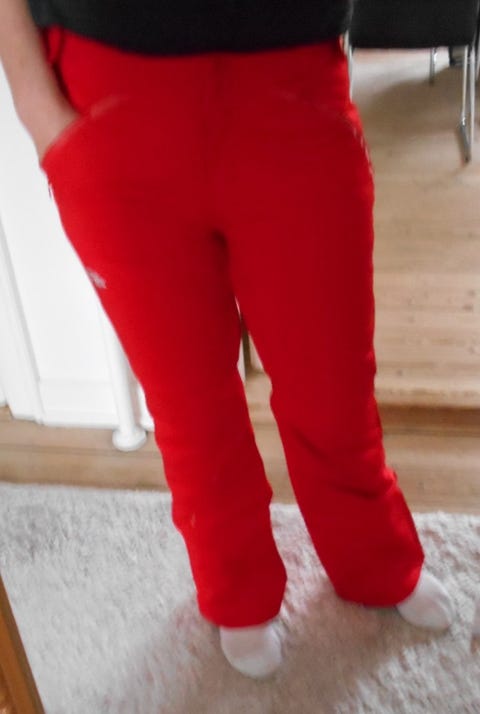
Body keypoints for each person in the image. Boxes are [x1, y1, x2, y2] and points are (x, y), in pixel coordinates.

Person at [0, 0, 455, 679]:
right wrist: (39, 112)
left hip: (293, 81)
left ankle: (375, 560)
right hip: (108, 100)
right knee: (189, 405)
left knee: (332, 382)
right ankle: (235, 589)